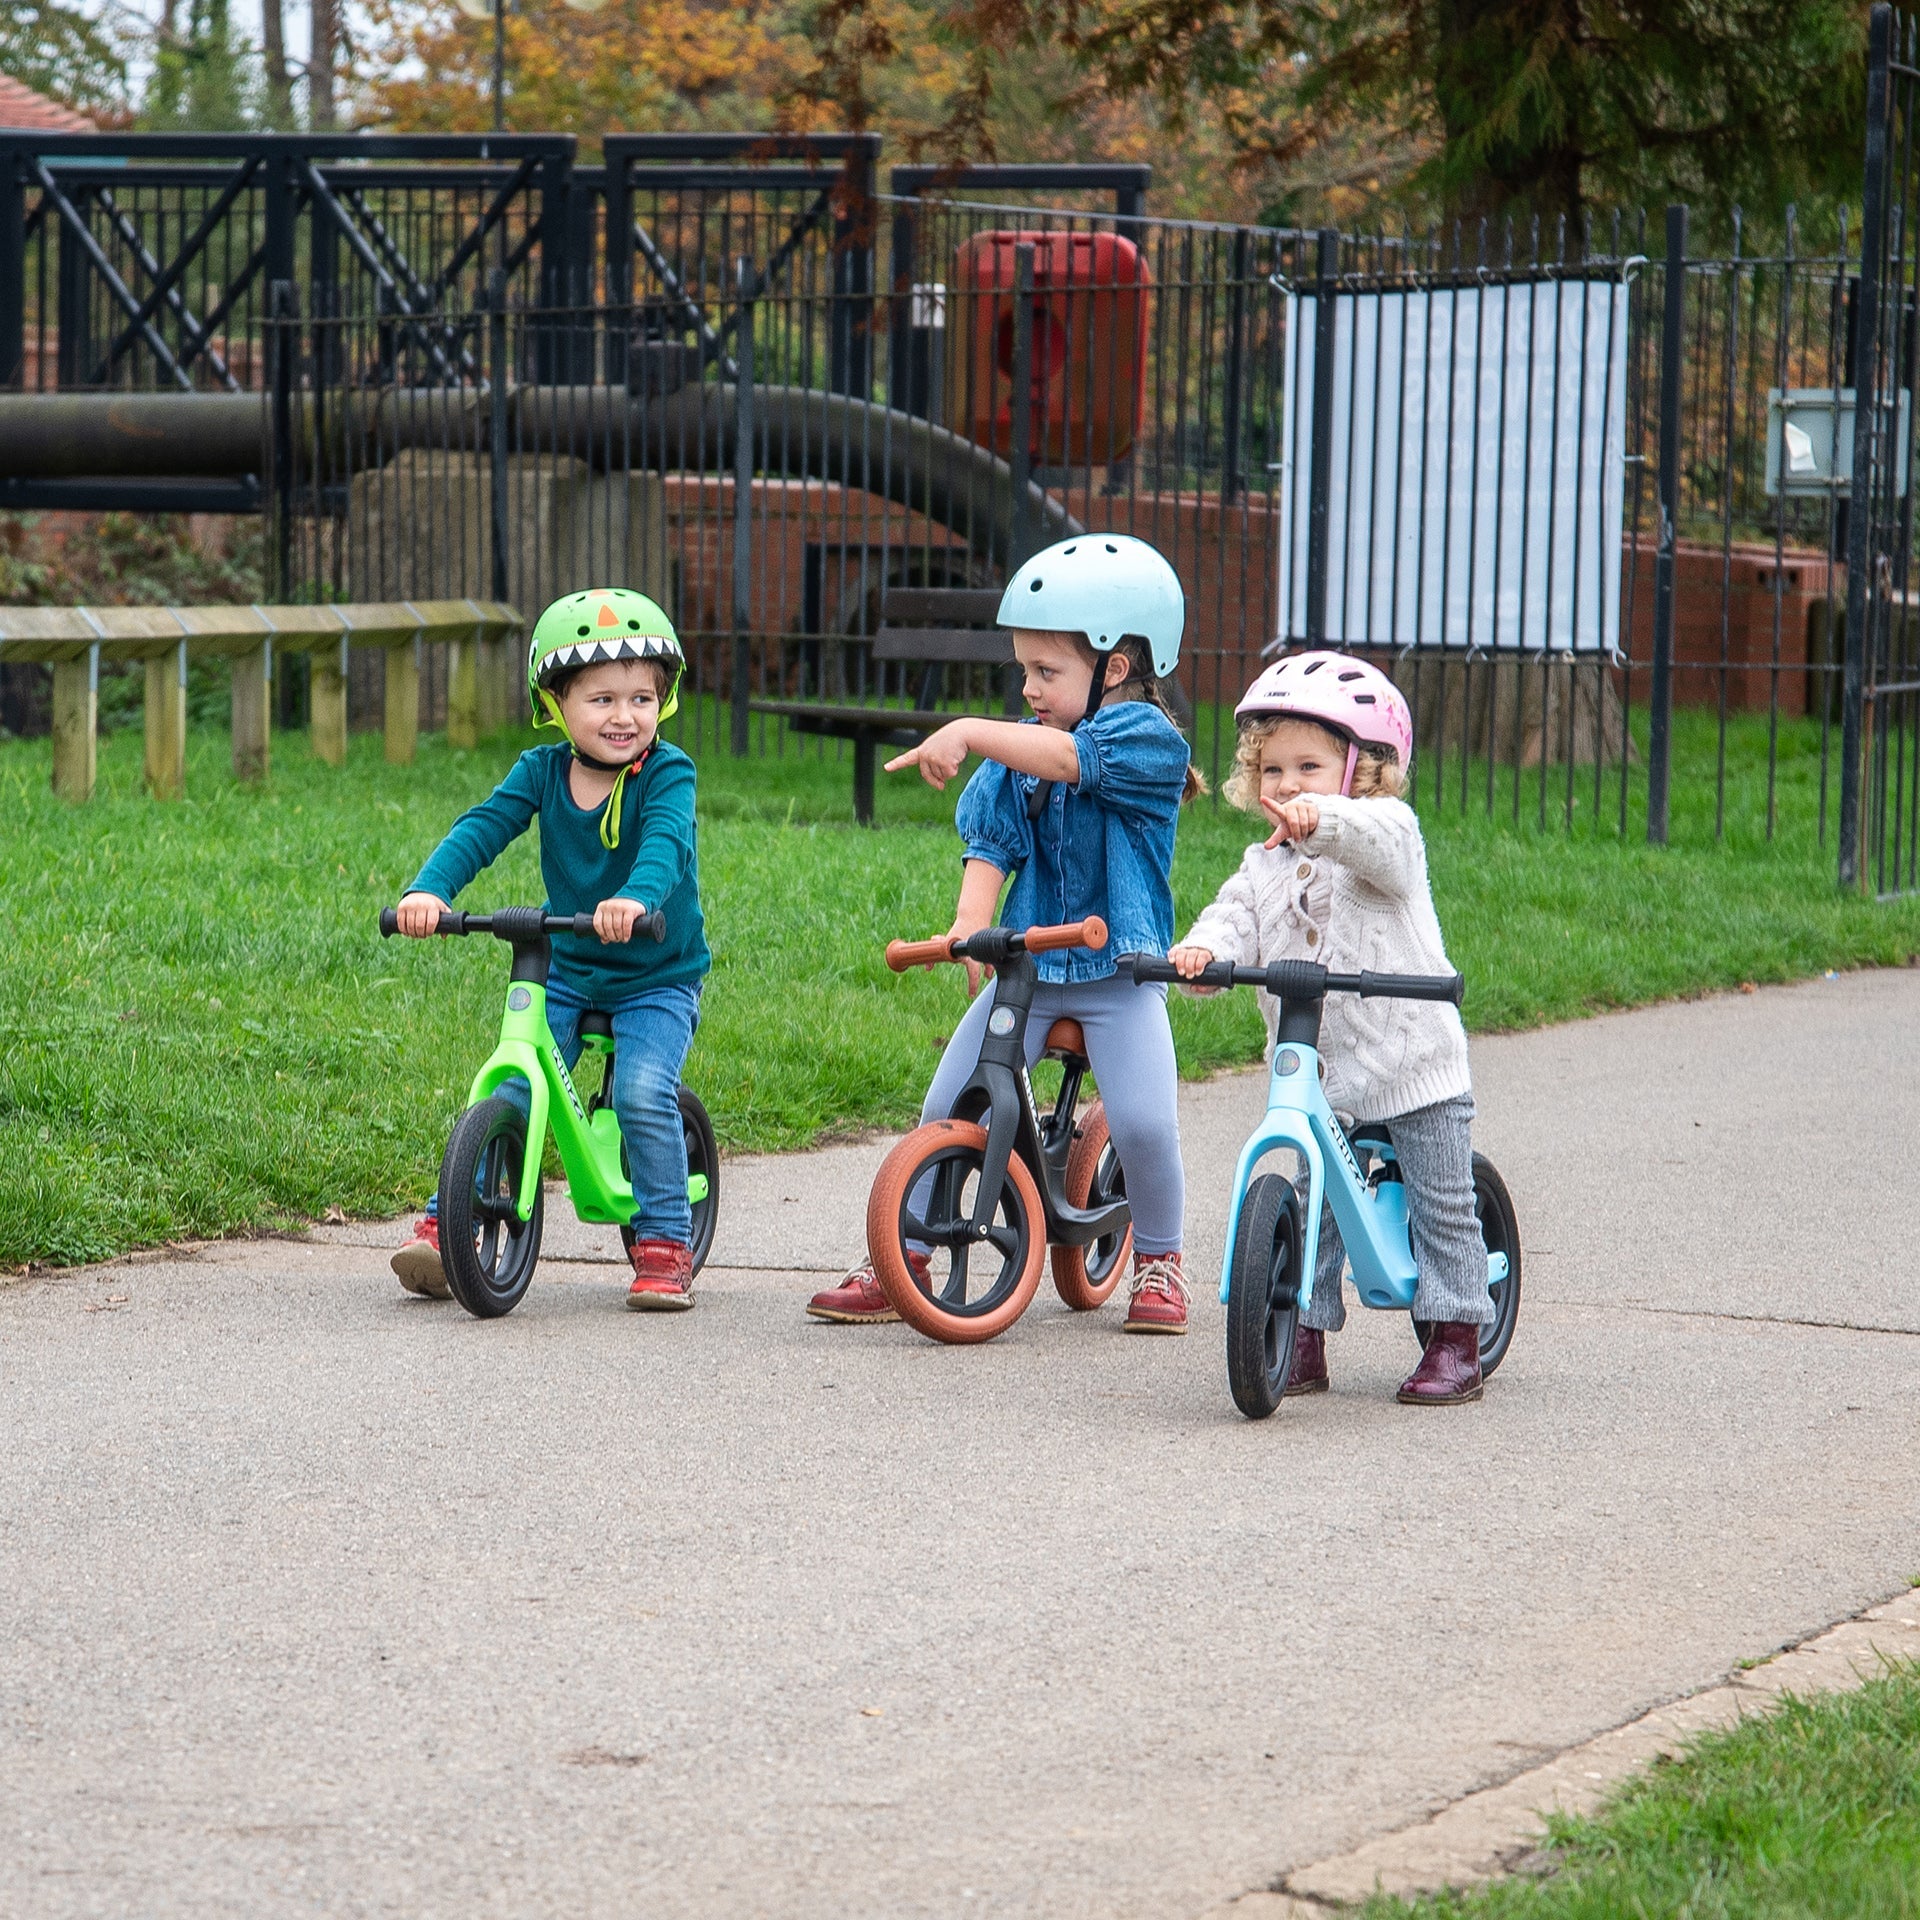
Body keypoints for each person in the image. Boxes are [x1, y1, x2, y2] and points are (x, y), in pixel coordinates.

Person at [807, 534, 1205, 1333]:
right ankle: (903, 1257)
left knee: (1146, 1123)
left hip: (1119, 972)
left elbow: (1068, 759)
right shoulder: (1022, 744)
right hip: (1028, 970)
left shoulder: (1147, 740)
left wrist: (968, 727)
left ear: (1115, 668)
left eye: (1045, 672)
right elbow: (993, 839)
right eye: (1022, 669)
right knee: (948, 1101)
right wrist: (971, 922)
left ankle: (1160, 1261)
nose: (1027, 688)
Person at [1170, 651, 1489, 1404]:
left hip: (1413, 1065)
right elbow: (1233, 916)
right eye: (1273, 770)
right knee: (1313, 1203)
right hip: (1321, 1076)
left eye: (1309, 766)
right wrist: (1205, 951)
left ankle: (1456, 1333)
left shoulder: (1386, 835)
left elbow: (1379, 842)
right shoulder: (1261, 865)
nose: (1288, 786)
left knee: (1443, 1202)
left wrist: (1327, 820)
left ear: (1362, 768)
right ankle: (1298, 1336)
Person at [389, 588, 710, 1311]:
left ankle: (664, 1239)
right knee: (515, 1086)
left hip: (657, 973)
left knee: (640, 1092)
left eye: (641, 698)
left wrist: (637, 899)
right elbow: (484, 826)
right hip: (568, 964)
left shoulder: (666, 772)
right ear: (555, 703)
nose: (625, 716)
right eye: (601, 699)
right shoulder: (540, 771)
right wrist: (430, 890)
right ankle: (452, 1227)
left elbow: (666, 842)